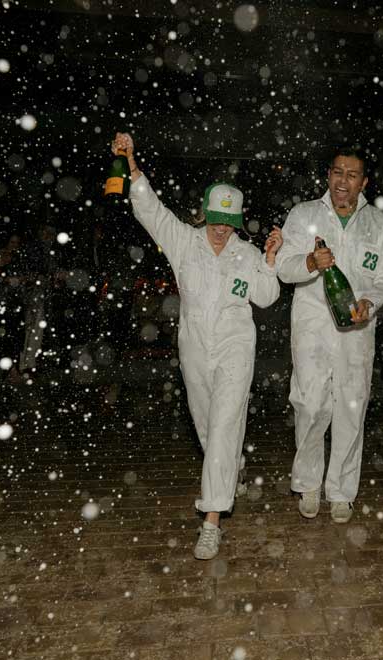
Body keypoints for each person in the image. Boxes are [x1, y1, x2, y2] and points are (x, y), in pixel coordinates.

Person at [113, 132, 281, 560]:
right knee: (208, 428)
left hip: (235, 350)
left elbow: (266, 296)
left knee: (224, 425)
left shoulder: (245, 253)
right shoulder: (184, 242)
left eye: (230, 222)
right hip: (193, 351)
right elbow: (149, 209)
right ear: (204, 214)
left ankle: (211, 520)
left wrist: (270, 259)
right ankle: (232, 469)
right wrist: (131, 162)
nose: (223, 229)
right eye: (216, 219)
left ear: (240, 220)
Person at [275, 146, 383, 523]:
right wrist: (309, 262)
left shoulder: (380, 225)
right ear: (327, 176)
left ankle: (342, 491)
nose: (342, 181)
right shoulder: (304, 216)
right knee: (310, 404)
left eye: (351, 175)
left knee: (351, 405)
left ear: (363, 182)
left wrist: (371, 299)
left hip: (358, 329)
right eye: (336, 173)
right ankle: (308, 483)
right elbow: (284, 268)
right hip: (312, 327)